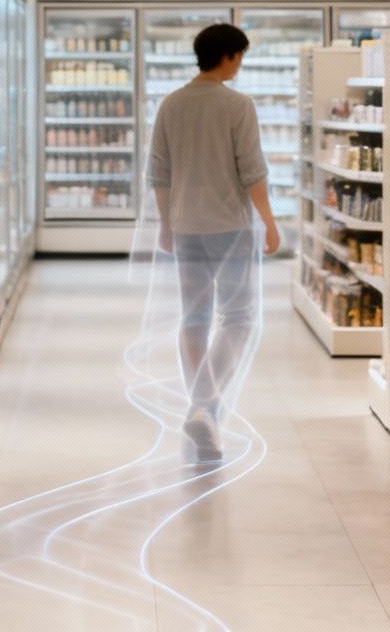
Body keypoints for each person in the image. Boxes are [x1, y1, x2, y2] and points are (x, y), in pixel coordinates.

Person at [147, 23, 282, 464]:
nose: (239, 65)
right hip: (229, 228)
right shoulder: (238, 105)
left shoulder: (171, 104)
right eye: (239, 57)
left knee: (194, 319)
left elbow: (159, 173)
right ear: (228, 57)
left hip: (186, 227)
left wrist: (166, 224)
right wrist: (269, 221)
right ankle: (204, 408)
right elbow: (252, 171)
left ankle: (201, 411)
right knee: (239, 318)